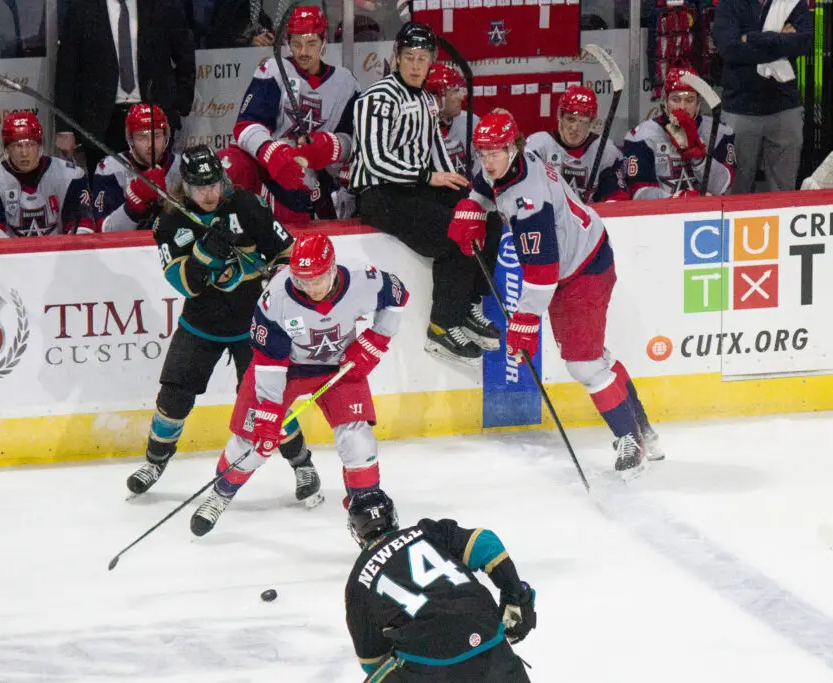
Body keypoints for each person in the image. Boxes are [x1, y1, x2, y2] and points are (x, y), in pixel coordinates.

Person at [449, 111, 664, 475]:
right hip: (578, 260)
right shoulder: (515, 160)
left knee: (584, 363)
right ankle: (644, 430)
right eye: (481, 153)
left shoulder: (528, 201)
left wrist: (524, 321)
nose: (487, 161)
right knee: (593, 359)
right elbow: (486, 185)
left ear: (514, 148)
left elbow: (542, 273)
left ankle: (630, 440)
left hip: (581, 270)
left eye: (494, 153)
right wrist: (472, 207)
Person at [125, 146, 321, 505]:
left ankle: (301, 463)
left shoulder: (246, 205)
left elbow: (286, 252)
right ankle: (154, 462)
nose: (209, 194)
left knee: (270, 400)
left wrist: (260, 272)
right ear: (184, 186)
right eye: (200, 188)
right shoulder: (170, 221)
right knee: (174, 395)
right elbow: (185, 284)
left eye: (214, 184)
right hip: (201, 324)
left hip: (254, 324)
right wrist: (204, 255)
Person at [189, 232, 408, 535]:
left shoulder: (362, 282)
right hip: (283, 370)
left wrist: (376, 340)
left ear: (332, 268)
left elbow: (397, 295)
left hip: (338, 369)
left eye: (317, 279)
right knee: (253, 445)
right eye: (303, 280)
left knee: (358, 441)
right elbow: (269, 361)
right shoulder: (275, 299)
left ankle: (367, 511)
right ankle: (220, 493)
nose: (311, 288)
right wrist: (267, 411)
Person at [351, 21, 501, 366]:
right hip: (381, 195)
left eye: (422, 58)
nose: (416, 65)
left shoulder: (426, 101)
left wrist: (463, 187)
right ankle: (441, 327)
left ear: (431, 59)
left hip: (419, 187)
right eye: (409, 57)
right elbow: (375, 161)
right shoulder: (376, 99)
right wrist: (429, 177)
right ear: (397, 57)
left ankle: (468, 308)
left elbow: (436, 149)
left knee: (486, 217)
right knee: (455, 235)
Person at [344, 489, 534, 682]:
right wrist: (516, 594)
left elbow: (371, 661)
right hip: (488, 638)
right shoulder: (427, 532)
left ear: (357, 531)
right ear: (392, 516)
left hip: (428, 663)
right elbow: (486, 543)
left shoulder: (358, 580)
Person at [220, 5, 359, 226]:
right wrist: (271, 153)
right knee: (228, 164)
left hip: (308, 176)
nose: (303, 52)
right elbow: (245, 126)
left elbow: (354, 142)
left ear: (323, 41)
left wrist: (330, 146)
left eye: (311, 43)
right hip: (267, 165)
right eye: (296, 44)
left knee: (297, 222)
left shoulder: (345, 83)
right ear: (287, 42)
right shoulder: (274, 70)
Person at [54, 0, 196, 177]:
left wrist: (178, 106)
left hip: (154, 116)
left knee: (156, 191)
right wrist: (64, 127)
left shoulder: (163, 5)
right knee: (105, 193)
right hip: (102, 123)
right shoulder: (82, 8)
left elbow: (185, 57)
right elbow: (67, 71)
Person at [713, 0, 812, 194]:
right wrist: (779, 39)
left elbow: (804, 44)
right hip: (739, 110)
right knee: (735, 188)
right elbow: (729, 49)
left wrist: (750, 38)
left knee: (784, 192)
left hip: (785, 108)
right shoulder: (729, 4)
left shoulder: (793, 2)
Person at [0, 112, 94, 238]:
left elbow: (83, 225)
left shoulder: (70, 176)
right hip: (11, 255)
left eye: (30, 145)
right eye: (17, 146)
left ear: (39, 145)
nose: (24, 153)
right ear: (7, 148)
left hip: (60, 254)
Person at [622, 67, 736, 199]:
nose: (682, 107)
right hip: (663, 217)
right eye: (675, 99)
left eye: (689, 100)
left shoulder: (719, 132)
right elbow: (639, 193)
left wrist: (699, 158)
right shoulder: (641, 137)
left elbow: (722, 186)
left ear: (698, 103)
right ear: (665, 101)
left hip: (708, 216)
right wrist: (677, 200)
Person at [526, 84, 630, 203]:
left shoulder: (605, 151)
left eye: (582, 121)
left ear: (591, 122)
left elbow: (616, 198)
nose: (575, 127)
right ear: (560, 116)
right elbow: (524, 190)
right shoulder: (539, 147)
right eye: (570, 119)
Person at [92, 104, 180, 232]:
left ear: (166, 136)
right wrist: (133, 205)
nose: (150, 144)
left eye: (157, 136)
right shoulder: (111, 168)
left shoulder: (181, 167)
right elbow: (104, 230)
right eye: (142, 137)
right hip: (129, 250)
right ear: (130, 140)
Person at [424, 62, 478, 178]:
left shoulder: (470, 120)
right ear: (435, 98)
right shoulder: (414, 129)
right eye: (455, 91)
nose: (461, 97)